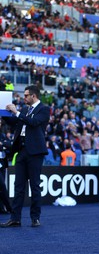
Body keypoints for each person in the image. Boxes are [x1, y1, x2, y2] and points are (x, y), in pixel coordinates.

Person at [0, 85, 50, 227]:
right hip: (21, 150)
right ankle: (15, 218)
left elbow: (33, 122)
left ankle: (35, 218)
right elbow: (15, 122)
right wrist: (5, 111)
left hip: (35, 152)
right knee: (18, 186)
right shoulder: (25, 109)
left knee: (35, 185)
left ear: (33, 96)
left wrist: (16, 112)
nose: (24, 97)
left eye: (26, 95)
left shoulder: (44, 109)